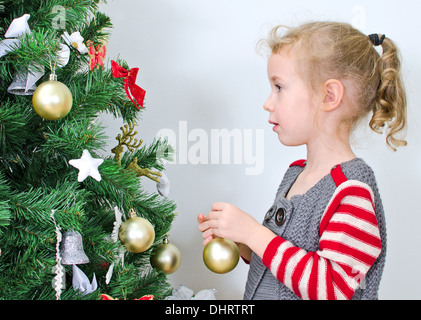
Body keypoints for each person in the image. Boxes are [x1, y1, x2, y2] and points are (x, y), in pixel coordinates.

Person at [197, 21, 407, 300]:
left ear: (328, 96)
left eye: (279, 87)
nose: (268, 102)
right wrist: (242, 240)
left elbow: (331, 288)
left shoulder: (352, 190)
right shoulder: (295, 175)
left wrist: (255, 233)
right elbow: (283, 258)